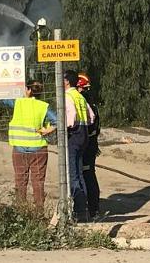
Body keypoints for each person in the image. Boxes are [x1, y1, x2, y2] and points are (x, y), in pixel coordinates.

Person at [3, 80, 57, 209]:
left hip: (19, 148)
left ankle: (21, 210)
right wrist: (47, 130)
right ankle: (39, 210)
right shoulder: (44, 106)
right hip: (38, 149)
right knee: (38, 181)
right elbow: (57, 120)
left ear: (27, 90)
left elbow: (2, 98)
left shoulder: (17, 103)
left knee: (20, 180)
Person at [62, 69, 91, 221]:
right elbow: (90, 116)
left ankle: (78, 211)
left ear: (66, 81)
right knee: (79, 174)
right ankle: (83, 210)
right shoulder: (79, 96)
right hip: (84, 133)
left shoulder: (67, 96)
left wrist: (63, 127)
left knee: (72, 174)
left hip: (74, 134)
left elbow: (71, 117)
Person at [76, 72, 101, 217]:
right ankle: (93, 208)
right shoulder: (92, 104)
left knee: (86, 175)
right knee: (88, 173)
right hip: (91, 143)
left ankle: (90, 208)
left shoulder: (83, 103)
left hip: (85, 144)